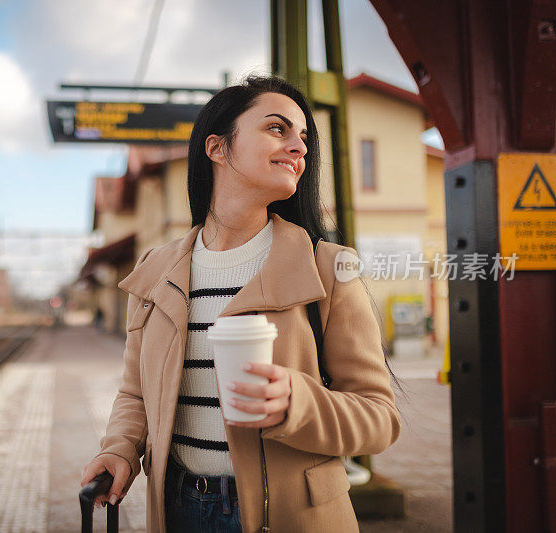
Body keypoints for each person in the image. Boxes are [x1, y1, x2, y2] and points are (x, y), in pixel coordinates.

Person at [80, 74, 402, 532]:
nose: (299, 147)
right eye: (277, 128)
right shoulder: (157, 271)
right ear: (217, 147)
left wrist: (297, 401)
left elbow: (380, 417)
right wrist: (119, 449)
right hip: (177, 508)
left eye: (304, 137)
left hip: (292, 516)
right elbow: (135, 392)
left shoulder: (329, 269)